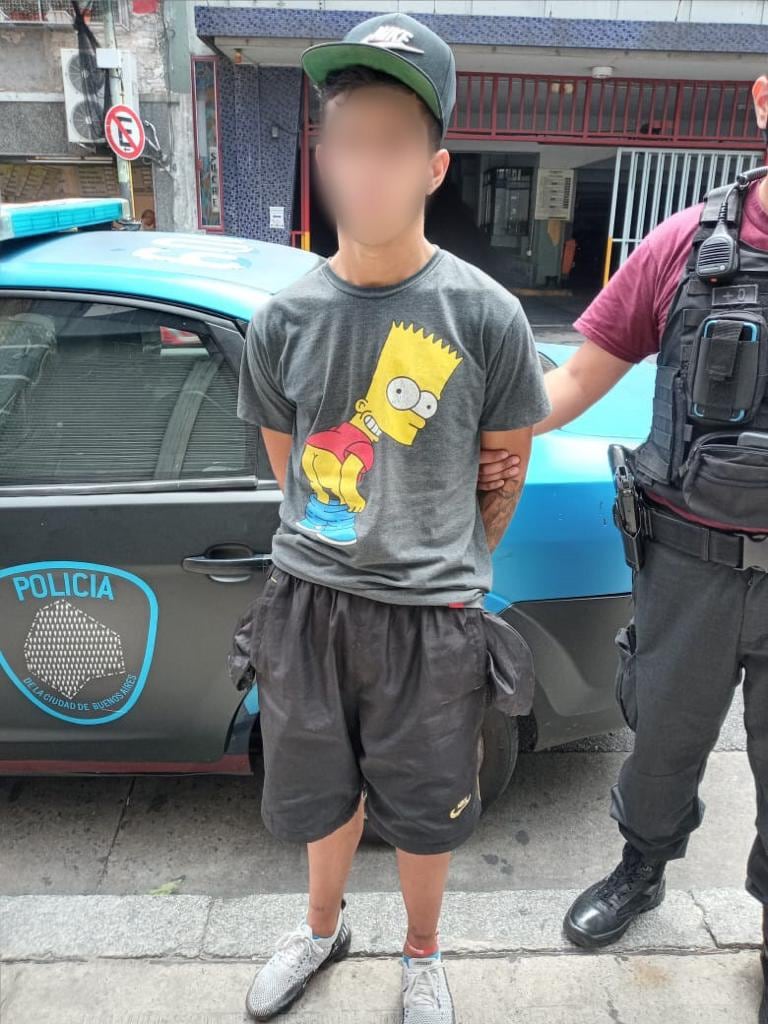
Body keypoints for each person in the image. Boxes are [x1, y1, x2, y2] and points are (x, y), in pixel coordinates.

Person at [235, 12, 550, 1023]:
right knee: (319, 794)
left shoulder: (487, 315)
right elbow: (293, 472)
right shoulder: (281, 321)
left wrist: (450, 564)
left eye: (392, 142)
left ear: (434, 164)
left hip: (432, 616)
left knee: (427, 808)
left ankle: (423, 954)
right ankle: (323, 928)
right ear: (321, 158)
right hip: (310, 606)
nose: (366, 165)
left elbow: (505, 472)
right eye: (347, 140)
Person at [499, 72, 768, 1024]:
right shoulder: (686, 249)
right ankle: (641, 870)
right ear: (764, 100)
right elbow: (573, 377)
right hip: (688, 563)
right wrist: (474, 432)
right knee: (661, 742)